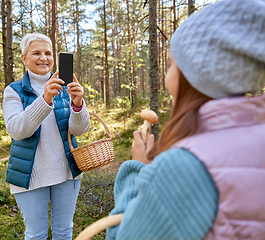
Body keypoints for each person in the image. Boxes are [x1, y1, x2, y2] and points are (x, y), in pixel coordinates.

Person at [106, 0, 265, 239]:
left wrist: (137, 170)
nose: (167, 78)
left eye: (171, 64)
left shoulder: (182, 168)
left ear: (194, 75)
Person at [2, 32, 90, 240]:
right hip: (30, 175)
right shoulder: (13, 91)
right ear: (24, 58)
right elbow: (17, 130)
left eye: (48, 53)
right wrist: (45, 99)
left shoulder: (65, 87)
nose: (43, 58)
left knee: (64, 231)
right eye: (36, 53)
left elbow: (79, 130)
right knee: (36, 235)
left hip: (67, 172)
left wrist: (78, 104)